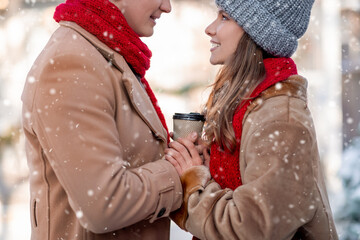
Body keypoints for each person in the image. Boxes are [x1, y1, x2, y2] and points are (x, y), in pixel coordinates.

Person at [165, 0, 339, 239]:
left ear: (257, 31)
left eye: (224, 17)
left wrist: (193, 185)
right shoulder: (249, 105)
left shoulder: (281, 117)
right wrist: (208, 166)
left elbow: (252, 229)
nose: (210, 28)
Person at [21, 0, 184, 239]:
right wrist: (178, 173)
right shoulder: (74, 62)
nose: (167, 7)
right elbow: (104, 203)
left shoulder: (105, 54)